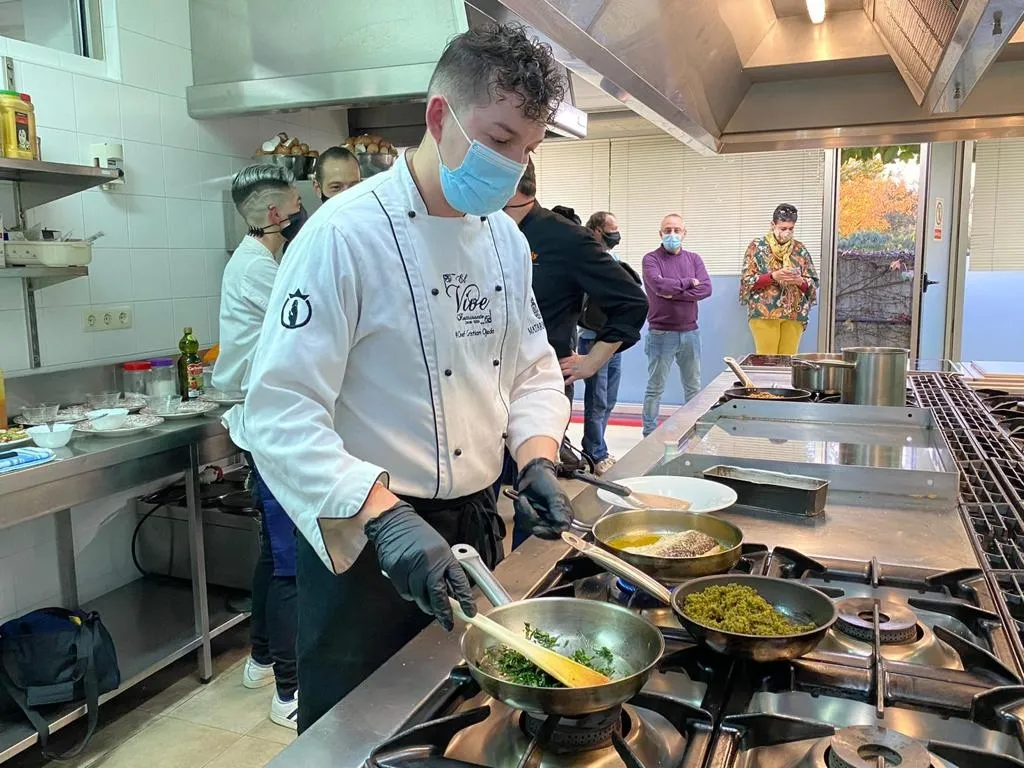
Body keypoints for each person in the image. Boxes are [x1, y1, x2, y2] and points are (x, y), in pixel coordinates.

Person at [238, 23, 575, 733]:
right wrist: (383, 516)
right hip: (370, 546)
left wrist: (538, 456)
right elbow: (277, 411)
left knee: (465, 720)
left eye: (530, 149)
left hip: (474, 532)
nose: (514, 166)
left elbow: (533, 369)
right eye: (501, 138)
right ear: (438, 117)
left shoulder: (506, 242)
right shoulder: (343, 235)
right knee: (361, 733)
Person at [500, 165, 647, 543]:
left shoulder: (565, 238)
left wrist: (592, 360)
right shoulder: (475, 230)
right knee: (486, 493)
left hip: (538, 388)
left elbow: (631, 301)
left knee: (534, 493)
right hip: (482, 386)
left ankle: (525, 576)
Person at [212, 164, 307, 729]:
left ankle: (262, 659)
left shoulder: (260, 259)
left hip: (269, 419)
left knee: (275, 554)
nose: (304, 209)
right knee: (292, 560)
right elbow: (309, 319)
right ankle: (290, 693)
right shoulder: (256, 269)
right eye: (298, 200)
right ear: (276, 214)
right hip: (270, 427)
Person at [579, 211, 640, 474]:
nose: (615, 234)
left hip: (614, 340)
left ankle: (595, 448)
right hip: (593, 340)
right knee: (597, 401)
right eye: (610, 229)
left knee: (609, 400)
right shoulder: (584, 262)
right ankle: (595, 453)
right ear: (595, 231)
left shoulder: (615, 263)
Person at [641, 214, 712, 437]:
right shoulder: (651, 259)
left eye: (677, 230)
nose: (672, 234)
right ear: (660, 233)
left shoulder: (694, 259)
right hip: (661, 333)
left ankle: (695, 430)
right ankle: (649, 432)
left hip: (690, 332)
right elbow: (659, 286)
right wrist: (688, 284)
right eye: (667, 230)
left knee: (693, 387)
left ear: (684, 233)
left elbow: (706, 289)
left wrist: (675, 292)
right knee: (655, 388)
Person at [739, 203, 819, 355]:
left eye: (791, 228)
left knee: (788, 363)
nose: (787, 232)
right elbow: (747, 280)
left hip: (794, 313)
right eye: (783, 228)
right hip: (765, 313)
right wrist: (772, 276)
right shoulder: (757, 247)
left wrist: (799, 281)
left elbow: (812, 283)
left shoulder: (799, 249)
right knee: (767, 360)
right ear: (772, 225)